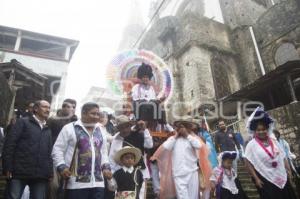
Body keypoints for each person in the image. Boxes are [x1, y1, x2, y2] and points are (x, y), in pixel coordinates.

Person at [52, 102, 112, 199]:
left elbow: (103, 152)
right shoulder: (69, 128)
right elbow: (57, 149)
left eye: (98, 114)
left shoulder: (100, 130)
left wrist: (106, 167)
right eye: (93, 113)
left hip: (98, 183)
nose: (96, 117)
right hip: (75, 183)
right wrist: (62, 167)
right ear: (83, 113)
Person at [2, 100, 53, 199]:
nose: (48, 110)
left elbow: (48, 153)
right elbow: (10, 144)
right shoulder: (23, 122)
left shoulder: (47, 129)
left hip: (40, 174)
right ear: (36, 109)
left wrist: (49, 171)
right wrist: (7, 167)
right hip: (19, 171)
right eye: (45, 107)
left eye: (49, 108)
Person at [244, 107, 297, 199]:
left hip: (281, 174)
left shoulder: (273, 141)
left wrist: (288, 170)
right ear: (254, 131)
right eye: (258, 130)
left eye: (263, 129)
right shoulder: (251, 145)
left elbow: (283, 156)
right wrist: (256, 178)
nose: (261, 132)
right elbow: (247, 161)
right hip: (266, 178)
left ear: (267, 129)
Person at [152, 117, 203, 199]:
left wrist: (187, 135)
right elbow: (166, 147)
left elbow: (199, 145)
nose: (182, 129)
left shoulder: (192, 138)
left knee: (193, 196)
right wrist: (176, 136)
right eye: (180, 127)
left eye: (184, 126)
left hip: (192, 171)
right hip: (178, 174)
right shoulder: (173, 139)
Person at [109, 115, 153, 199]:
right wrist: (113, 176)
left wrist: (145, 130)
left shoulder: (139, 135)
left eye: (127, 126)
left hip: (140, 172)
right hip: (122, 174)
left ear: (130, 126)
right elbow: (112, 159)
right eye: (121, 127)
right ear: (118, 128)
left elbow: (149, 145)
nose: (125, 130)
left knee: (140, 195)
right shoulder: (116, 140)